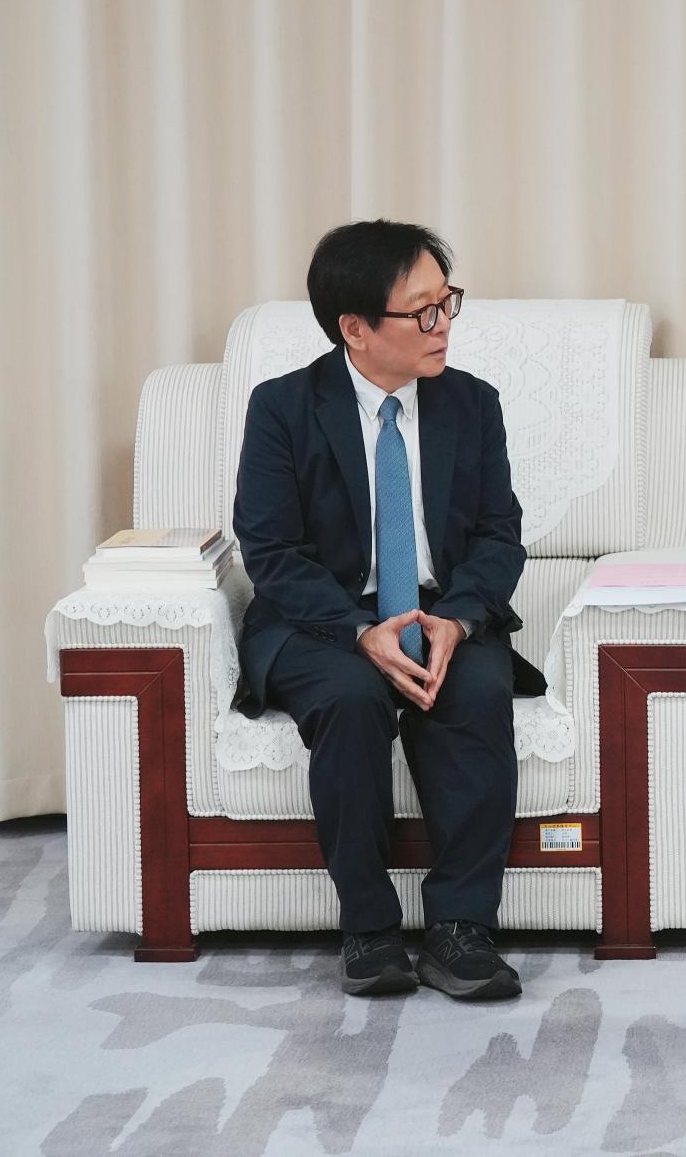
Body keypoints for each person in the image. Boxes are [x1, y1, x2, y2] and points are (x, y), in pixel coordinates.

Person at [233, 220, 546, 999]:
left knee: (474, 691)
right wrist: (358, 632)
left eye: (448, 302)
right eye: (422, 311)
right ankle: (369, 930)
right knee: (350, 698)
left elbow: (498, 534)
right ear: (355, 328)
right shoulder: (282, 408)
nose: (444, 325)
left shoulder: (471, 403)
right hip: (323, 615)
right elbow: (270, 551)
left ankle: (461, 929)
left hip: (440, 606)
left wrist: (458, 620)